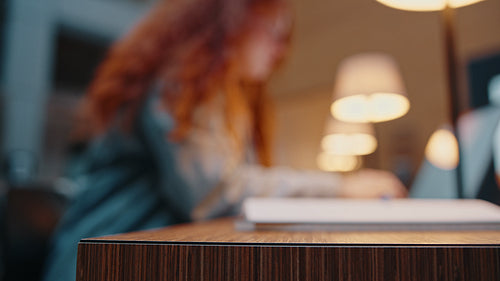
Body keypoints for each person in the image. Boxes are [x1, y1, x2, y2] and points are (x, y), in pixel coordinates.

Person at [42, 0, 406, 280]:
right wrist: (341, 188)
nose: (281, 49)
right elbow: (214, 193)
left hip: (154, 255)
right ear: (232, 18)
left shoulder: (227, 95)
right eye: (274, 31)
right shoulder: (179, 83)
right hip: (105, 259)